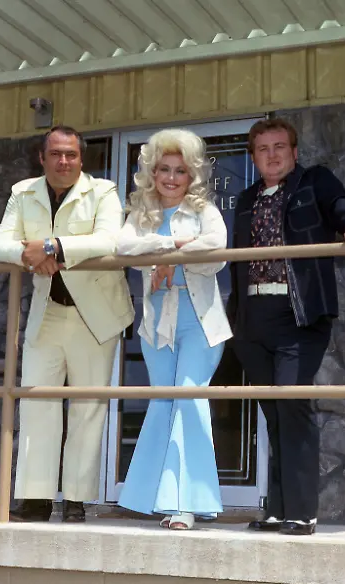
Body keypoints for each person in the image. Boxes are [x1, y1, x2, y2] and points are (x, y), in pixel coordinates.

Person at [227, 118, 345, 536]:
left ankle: (302, 511)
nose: (272, 155)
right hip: (253, 319)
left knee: (293, 405)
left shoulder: (314, 182)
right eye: (262, 149)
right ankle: (277, 509)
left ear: (294, 152)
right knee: (274, 415)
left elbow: (341, 207)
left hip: (298, 314)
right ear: (253, 157)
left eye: (280, 147)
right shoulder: (245, 199)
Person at [0, 125, 134, 523]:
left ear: (81, 158)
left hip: (94, 314)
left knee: (89, 407)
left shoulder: (103, 191)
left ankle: (76, 500)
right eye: (55, 153)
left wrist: (54, 247)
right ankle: (35, 501)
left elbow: (110, 240)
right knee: (38, 403)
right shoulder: (23, 193)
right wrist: (30, 255)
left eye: (71, 154)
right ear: (42, 157)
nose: (63, 161)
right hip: (48, 311)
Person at [115, 128, 231, 531]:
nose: (170, 177)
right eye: (163, 168)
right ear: (151, 171)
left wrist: (167, 252)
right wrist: (171, 250)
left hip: (199, 322)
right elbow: (123, 247)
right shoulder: (141, 211)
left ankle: (186, 504)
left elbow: (216, 248)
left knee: (188, 400)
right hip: (155, 325)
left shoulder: (204, 210)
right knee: (163, 403)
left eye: (180, 170)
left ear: (192, 175)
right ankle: (151, 498)